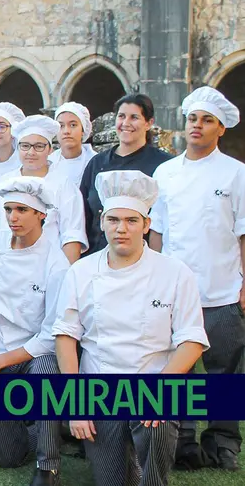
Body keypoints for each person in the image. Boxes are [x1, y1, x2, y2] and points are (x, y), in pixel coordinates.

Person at [54, 170, 209, 486]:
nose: (121, 229)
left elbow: (191, 340)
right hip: (99, 387)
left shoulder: (175, 272)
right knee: (111, 481)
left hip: (153, 382)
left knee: (157, 432)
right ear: (101, 221)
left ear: (146, 225)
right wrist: (76, 404)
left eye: (131, 220)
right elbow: (66, 336)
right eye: (113, 220)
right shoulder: (81, 272)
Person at [149, 86, 244, 471]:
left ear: (220, 129)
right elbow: (156, 230)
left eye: (207, 121)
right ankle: (183, 439)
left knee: (225, 368)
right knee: (178, 367)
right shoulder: (165, 172)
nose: (198, 126)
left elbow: (243, 232)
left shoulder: (236, 173)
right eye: (193, 119)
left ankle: (223, 442)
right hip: (174, 291)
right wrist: (150, 277)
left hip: (222, 288)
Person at [0, 176, 68, 486]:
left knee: (46, 377)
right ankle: (39, 427)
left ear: (41, 214)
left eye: (22, 210)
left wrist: (1, 361)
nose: (13, 217)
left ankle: (47, 464)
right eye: (9, 209)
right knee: (8, 458)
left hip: (36, 353)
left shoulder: (56, 262)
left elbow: (52, 333)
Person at [79, 93, 172, 255]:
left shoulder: (164, 165)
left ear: (149, 123)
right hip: (97, 257)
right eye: (121, 116)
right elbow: (84, 215)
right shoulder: (97, 163)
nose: (126, 123)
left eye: (134, 117)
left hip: (143, 260)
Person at [0, 116, 87, 263]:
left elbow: (72, 236)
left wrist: (62, 276)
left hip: (49, 266)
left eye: (39, 146)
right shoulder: (5, 182)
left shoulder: (64, 186)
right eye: (25, 146)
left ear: (50, 149)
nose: (31, 152)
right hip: (9, 263)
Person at [49, 102, 96, 187]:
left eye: (73, 125)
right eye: (61, 126)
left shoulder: (95, 162)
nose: (66, 131)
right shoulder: (48, 163)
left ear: (83, 130)